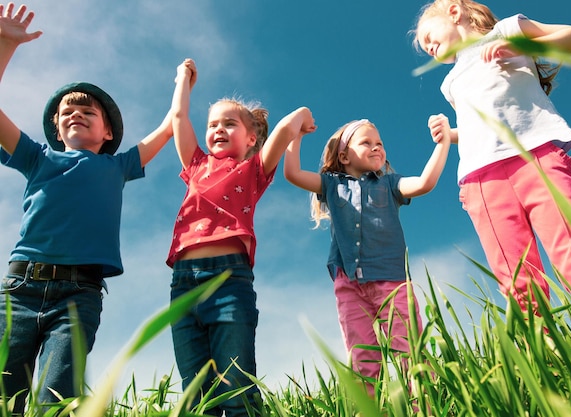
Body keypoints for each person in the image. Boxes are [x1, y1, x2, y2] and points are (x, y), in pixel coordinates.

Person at [412, 0, 571, 345]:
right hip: (481, 180)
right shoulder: (449, 83)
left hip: (536, 158)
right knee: (519, 289)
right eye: (426, 48)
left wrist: (526, 45)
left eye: (428, 37)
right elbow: (481, 120)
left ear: (454, 11)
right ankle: (550, 372)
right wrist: (450, 134)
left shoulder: (508, 29)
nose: (429, 48)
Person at [0, 3, 174, 414]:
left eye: (87, 111)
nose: (75, 113)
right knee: (5, 394)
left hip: (80, 295)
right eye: (67, 112)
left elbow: (168, 127)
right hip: (20, 289)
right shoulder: (37, 157)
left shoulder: (117, 166)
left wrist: (181, 85)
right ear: (57, 129)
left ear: (107, 131)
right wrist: (6, 44)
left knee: (56, 396)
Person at [167, 58, 315, 417]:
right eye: (213, 124)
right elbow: (178, 120)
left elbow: (281, 129)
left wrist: (302, 117)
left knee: (236, 387)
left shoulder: (253, 169)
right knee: (195, 394)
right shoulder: (196, 166)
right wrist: (183, 79)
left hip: (229, 280)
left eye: (229, 123)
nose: (218, 129)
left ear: (251, 138)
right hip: (183, 284)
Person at [283, 118, 450, 392]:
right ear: (344, 155)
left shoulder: (389, 184)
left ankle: (426, 408)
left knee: (410, 352)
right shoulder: (331, 185)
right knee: (363, 359)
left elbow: (424, 183)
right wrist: (295, 135)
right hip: (349, 285)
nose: (377, 148)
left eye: (380, 144)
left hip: (391, 281)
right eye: (367, 143)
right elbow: (292, 173)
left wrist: (442, 143)